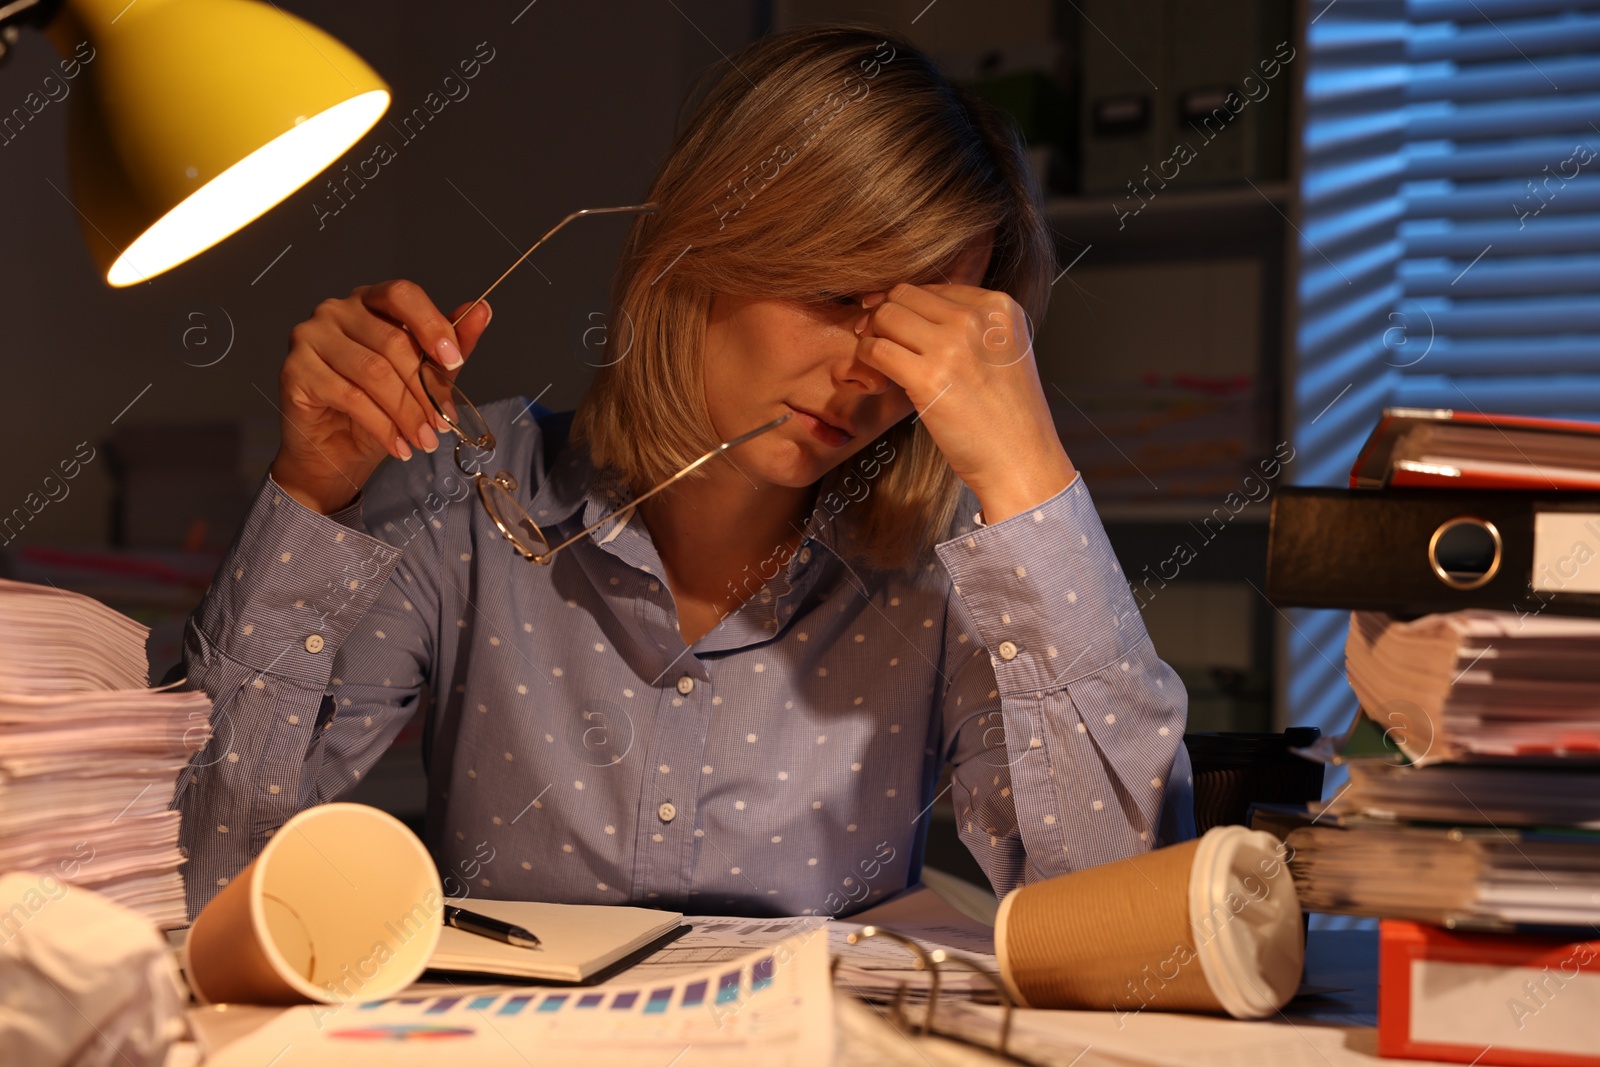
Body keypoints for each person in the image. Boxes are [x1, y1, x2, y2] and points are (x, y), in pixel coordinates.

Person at [169, 24, 1194, 921]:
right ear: (699, 249)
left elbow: (1119, 917)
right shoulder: (461, 495)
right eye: (838, 295)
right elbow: (203, 872)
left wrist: (1030, 478)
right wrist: (312, 496)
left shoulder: (953, 561)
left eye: (921, 332)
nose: (865, 374)